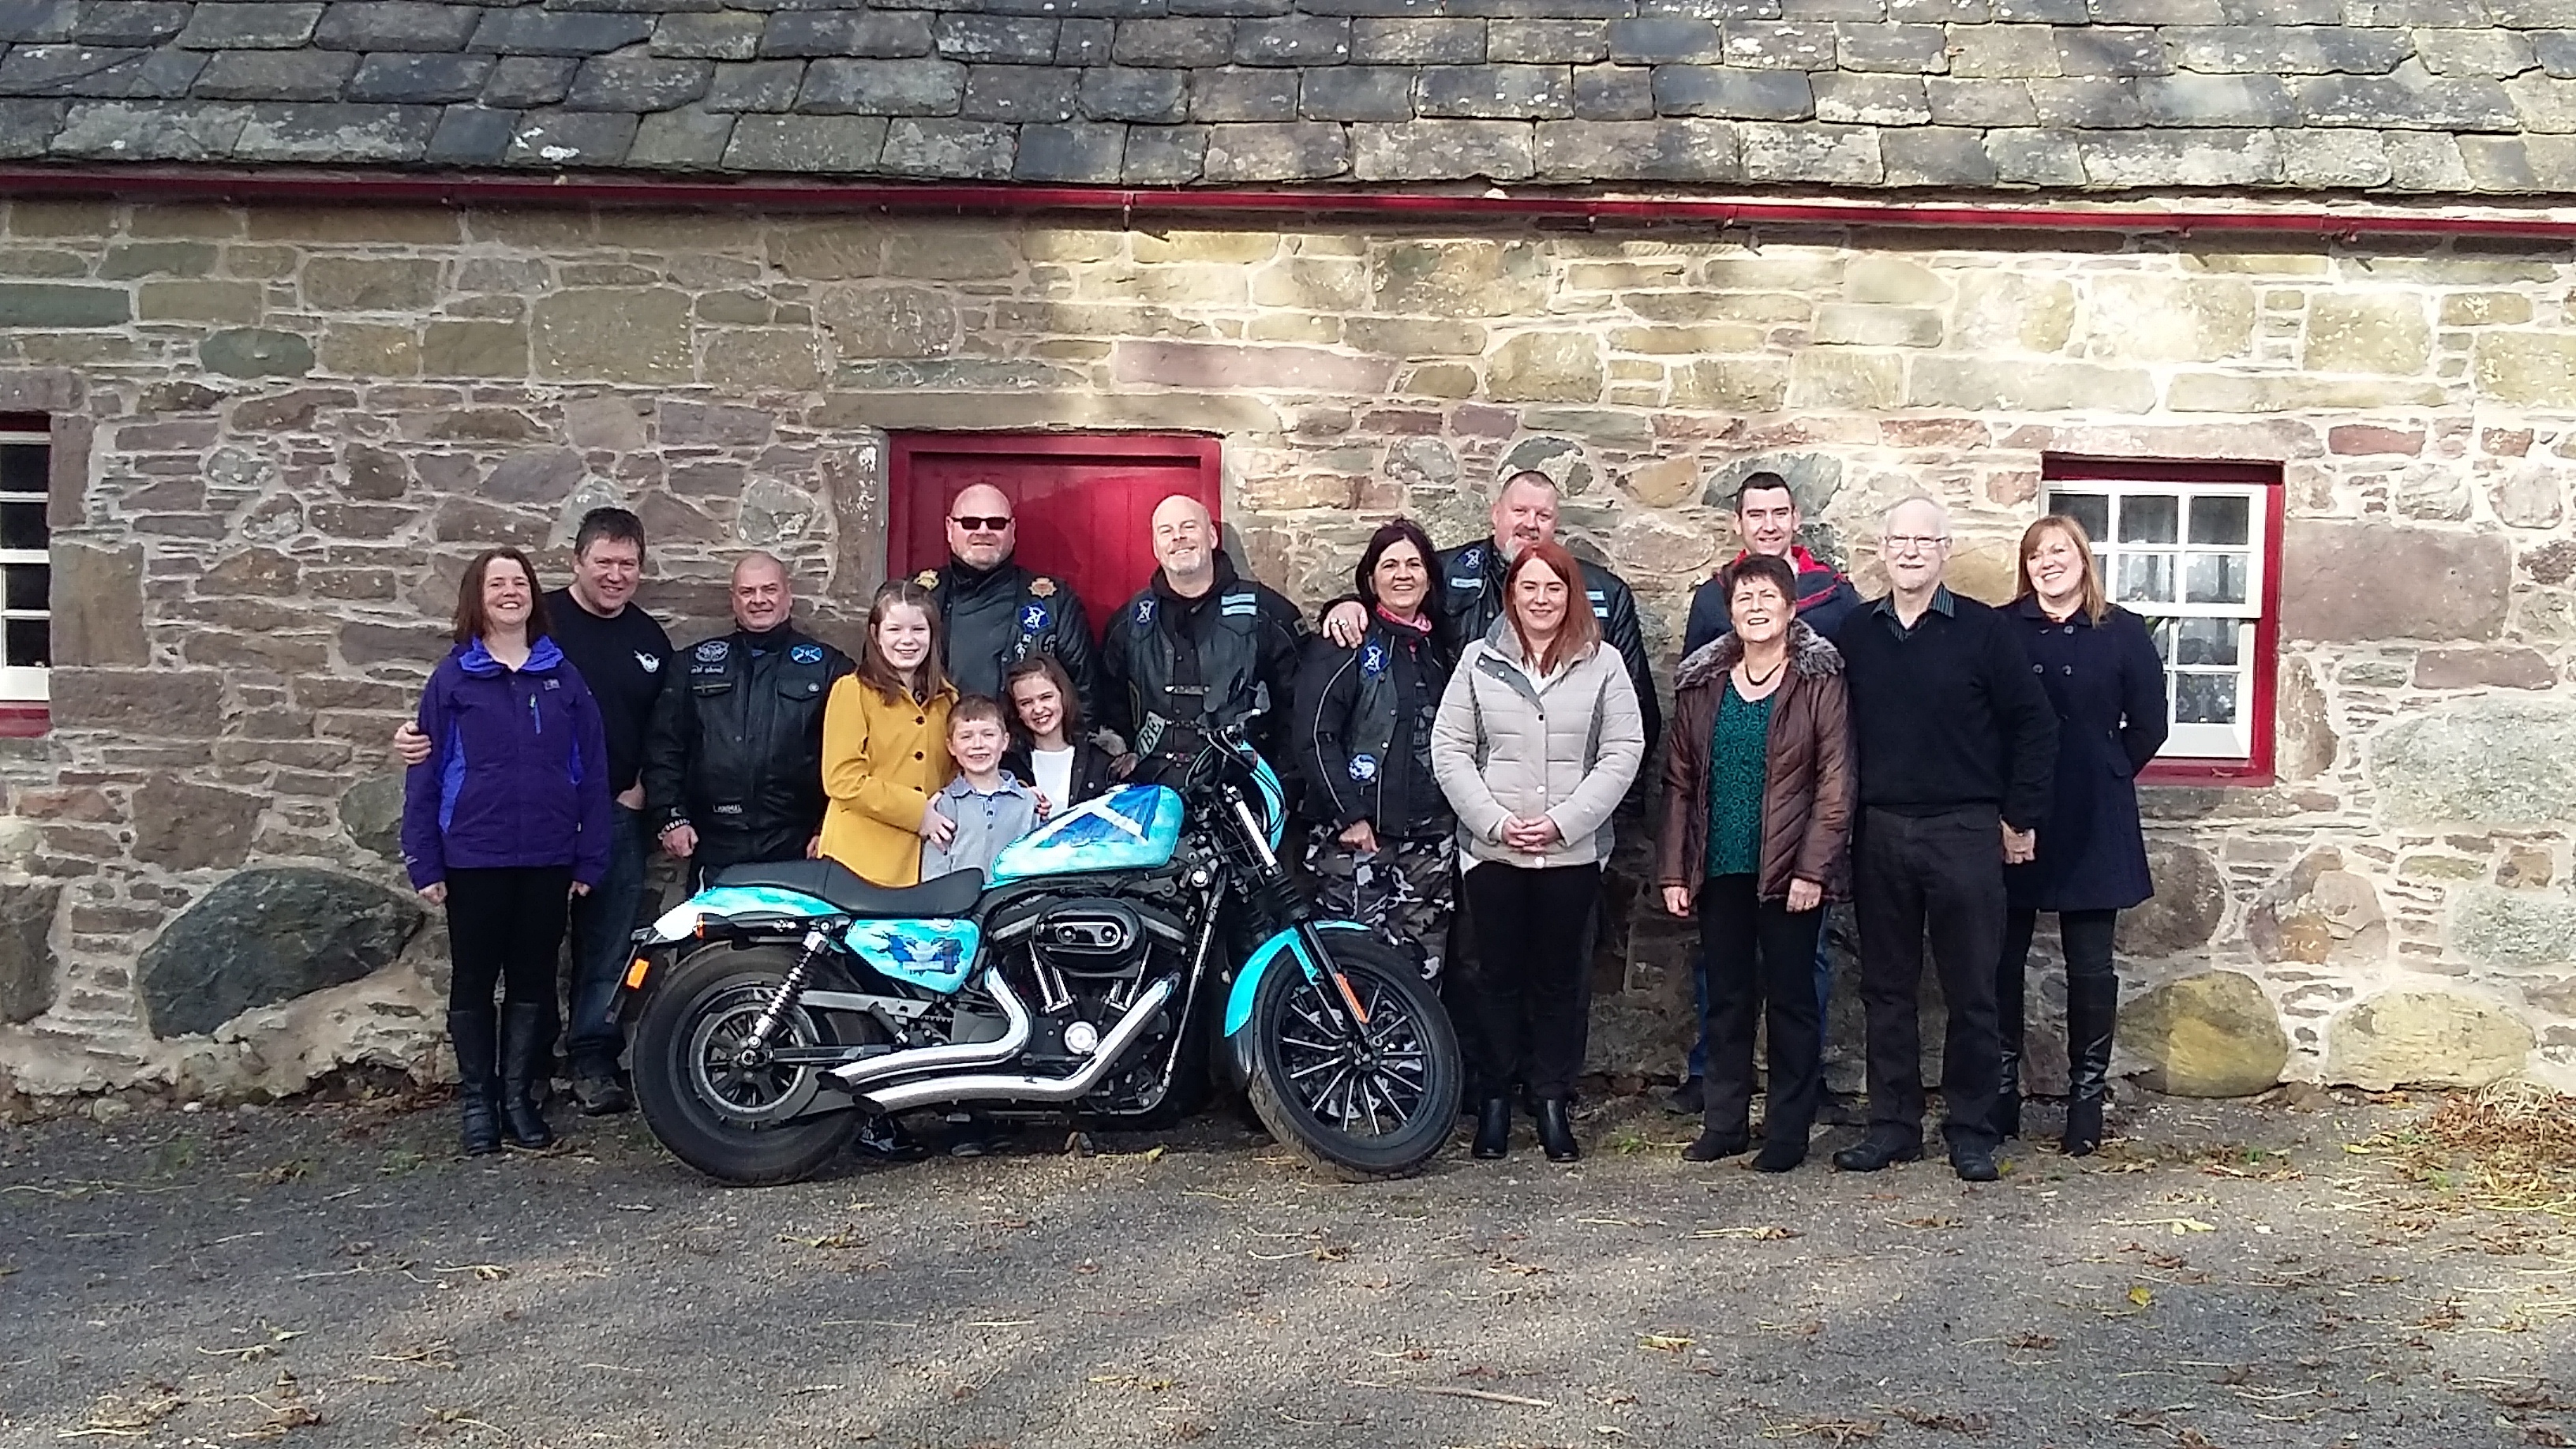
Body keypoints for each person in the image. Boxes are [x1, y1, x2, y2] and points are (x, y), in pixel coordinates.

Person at [394, 507, 672, 1116]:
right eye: (604, 562)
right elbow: (443, 735)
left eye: (628, 565)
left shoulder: (643, 641)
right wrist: (414, 754)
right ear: (577, 562)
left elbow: (655, 732)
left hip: (600, 821)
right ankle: (515, 1084)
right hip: (499, 838)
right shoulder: (521, 638)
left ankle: (580, 1064)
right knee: (508, 966)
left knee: (596, 952)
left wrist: (645, 789)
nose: (615, 575)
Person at [1829, 497, 2057, 1184]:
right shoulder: (1855, 633)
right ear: (1883, 548)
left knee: (1972, 990)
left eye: (1923, 540)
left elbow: (2034, 726)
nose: (1909, 551)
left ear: (1944, 549)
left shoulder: (1984, 632)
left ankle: (1970, 1129)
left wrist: (2018, 817)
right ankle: (1892, 1126)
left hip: (1964, 828)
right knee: (1886, 989)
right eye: (1898, 539)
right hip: (1880, 829)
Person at [1431, 540, 1645, 1165]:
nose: (1541, 600)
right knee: (1493, 980)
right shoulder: (1478, 660)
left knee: (1559, 983)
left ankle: (1552, 1100)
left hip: (1571, 856)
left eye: (1554, 588)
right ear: (1512, 595)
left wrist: (1563, 822)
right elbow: (1450, 749)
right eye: (1530, 588)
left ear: (1570, 595)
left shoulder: (1602, 663)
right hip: (1493, 855)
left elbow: (1623, 750)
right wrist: (1496, 823)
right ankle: (1494, 1102)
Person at [399, 549, 610, 1155]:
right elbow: (427, 772)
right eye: (498, 583)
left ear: (533, 597)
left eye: (520, 582)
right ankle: (478, 1104)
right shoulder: (453, 678)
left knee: (534, 981)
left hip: (547, 857)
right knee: (472, 982)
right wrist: (424, 858)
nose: (510, 592)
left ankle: (519, 1100)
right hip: (473, 856)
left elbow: (591, 772)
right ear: (478, 597)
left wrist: (589, 857)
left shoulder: (562, 677)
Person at [1668, 473, 1864, 1120]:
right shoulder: (1709, 624)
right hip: (1724, 847)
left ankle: (1797, 1106)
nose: (1770, 523)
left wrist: (1818, 859)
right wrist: (1677, 861)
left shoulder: (1833, 607)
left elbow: (1837, 757)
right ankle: (1718, 1100)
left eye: (1781, 512)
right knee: (1723, 981)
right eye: (1757, 513)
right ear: (1739, 523)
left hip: (1795, 841)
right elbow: (1689, 758)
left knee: (1799, 979)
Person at [1995, 515, 2169, 1156]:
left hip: (2095, 808)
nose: (2048, 563)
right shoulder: (2003, 629)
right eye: (2036, 555)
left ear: (2083, 559)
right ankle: (2001, 1094)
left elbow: (2151, 720)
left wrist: (2110, 764)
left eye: (2059, 552)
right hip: (2020, 806)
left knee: (2090, 967)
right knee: (2000, 961)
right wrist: (2009, 806)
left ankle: (2086, 1103)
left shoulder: (2121, 631)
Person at [1324, 470, 1658, 761]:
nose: (1530, 523)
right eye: (1520, 511)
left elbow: (1636, 710)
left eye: (1543, 515)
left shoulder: (1605, 593)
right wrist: (1349, 605)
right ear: (1496, 514)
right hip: (1455, 767)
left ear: (1556, 524)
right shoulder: (1444, 572)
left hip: (1567, 778)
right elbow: (1393, 602)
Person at [1291, 519, 1455, 981]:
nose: (1402, 574)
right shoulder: (1346, 641)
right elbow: (1313, 735)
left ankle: (1412, 1056)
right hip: (1358, 839)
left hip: (1430, 841)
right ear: (1370, 579)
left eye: (1414, 564)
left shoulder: (1442, 646)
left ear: (1429, 576)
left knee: (1420, 968)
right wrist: (1351, 815)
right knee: (1349, 967)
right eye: (1389, 564)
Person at [643, 552, 852, 889]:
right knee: (713, 941)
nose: (759, 600)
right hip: (715, 842)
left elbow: (850, 757)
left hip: (797, 843)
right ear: (734, 598)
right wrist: (671, 816)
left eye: (769, 589)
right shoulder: (692, 665)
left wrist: (827, 829)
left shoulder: (830, 667)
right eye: (747, 591)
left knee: (790, 941)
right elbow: (665, 747)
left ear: (788, 594)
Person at [1100, 494, 1306, 784]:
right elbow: (1108, 703)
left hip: (1243, 788)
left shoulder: (1268, 613)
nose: (1179, 538)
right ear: (1155, 547)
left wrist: (1280, 781)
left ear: (1211, 537)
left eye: (1189, 527)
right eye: (1166, 531)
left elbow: (1300, 705)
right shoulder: (1130, 622)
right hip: (1151, 791)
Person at [919, 483, 1101, 722]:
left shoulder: (1056, 603)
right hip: (935, 751)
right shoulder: (917, 598)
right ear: (950, 528)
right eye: (970, 523)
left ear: (1012, 530)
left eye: (996, 523)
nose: (983, 531)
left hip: (1024, 754)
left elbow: (1085, 697)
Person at [818, 578, 960, 887]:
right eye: (895, 629)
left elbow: (958, 774)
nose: (907, 640)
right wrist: (917, 812)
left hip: (929, 864)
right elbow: (842, 779)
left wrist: (1011, 793)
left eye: (918, 630)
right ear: (875, 634)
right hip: (858, 862)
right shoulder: (852, 690)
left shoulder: (948, 699)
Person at [921, 696, 1045, 878]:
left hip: (1016, 904)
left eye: (988, 735)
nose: (977, 745)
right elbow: (934, 872)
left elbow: (1040, 863)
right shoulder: (944, 805)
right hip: (961, 905)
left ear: (1004, 741)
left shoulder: (1028, 803)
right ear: (951, 746)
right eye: (966, 737)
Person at [1002, 654, 1117, 813]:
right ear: (1016, 710)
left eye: (1046, 697)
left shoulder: (1101, 763)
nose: (1038, 709)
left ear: (1064, 696)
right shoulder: (1006, 769)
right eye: (1026, 703)